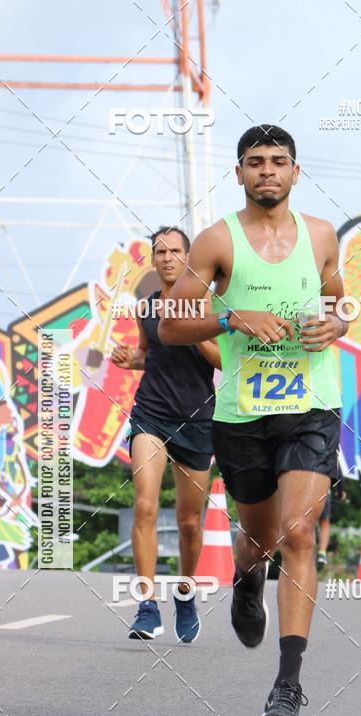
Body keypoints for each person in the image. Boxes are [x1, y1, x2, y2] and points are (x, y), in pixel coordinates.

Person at [159, 124, 348, 716]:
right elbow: (172, 324)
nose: (268, 171)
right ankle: (247, 579)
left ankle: (288, 684)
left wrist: (337, 326)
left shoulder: (321, 235)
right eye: (255, 162)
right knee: (261, 538)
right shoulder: (218, 242)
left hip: (312, 406)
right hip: (242, 414)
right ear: (239, 174)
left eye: (279, 162)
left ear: (296, 173)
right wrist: (233, 314)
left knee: (299, 531)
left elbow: (338, 300)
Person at [110, 226, 220, 643]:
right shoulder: (146, 308)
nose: (169, 257)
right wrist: (129, 358)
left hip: (197, 419)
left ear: (189, 258)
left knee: (190, 522)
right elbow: (149, 356)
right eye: (161, 251)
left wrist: (191, 326)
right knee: (144, 505)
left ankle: (186, 594)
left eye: (176, 250)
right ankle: (146, 606)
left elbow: (220, 359)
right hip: (151, 414)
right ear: (153, 260)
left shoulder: (209, 305)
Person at [316, 477, 345, 570]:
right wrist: (340, 491)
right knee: (324, 522)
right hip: (322, 488)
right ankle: (322, 553)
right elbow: (338, 471)